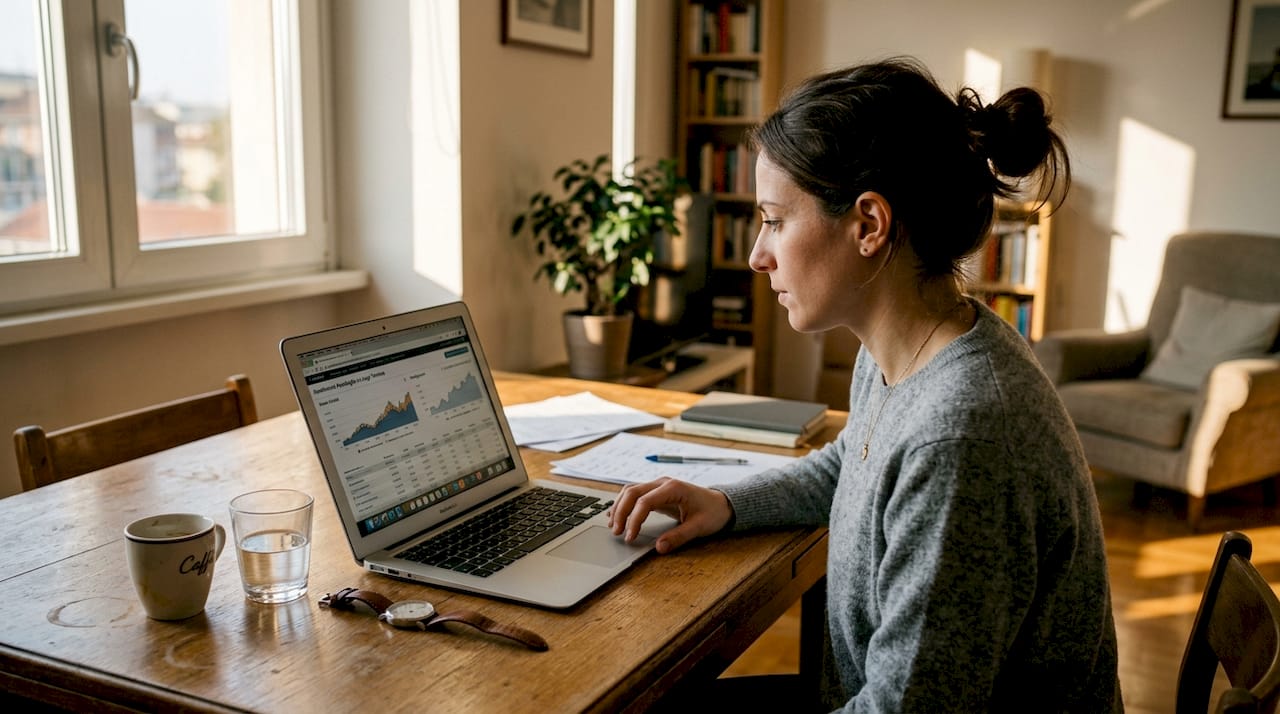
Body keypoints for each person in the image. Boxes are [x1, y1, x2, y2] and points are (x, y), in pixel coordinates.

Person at [608, 57, 1122, 712]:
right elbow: (850, 467)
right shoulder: (910, 347)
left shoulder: (961, 435)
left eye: (774, 220)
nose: (755, 255)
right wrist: (728, 503)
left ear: (869, 225)